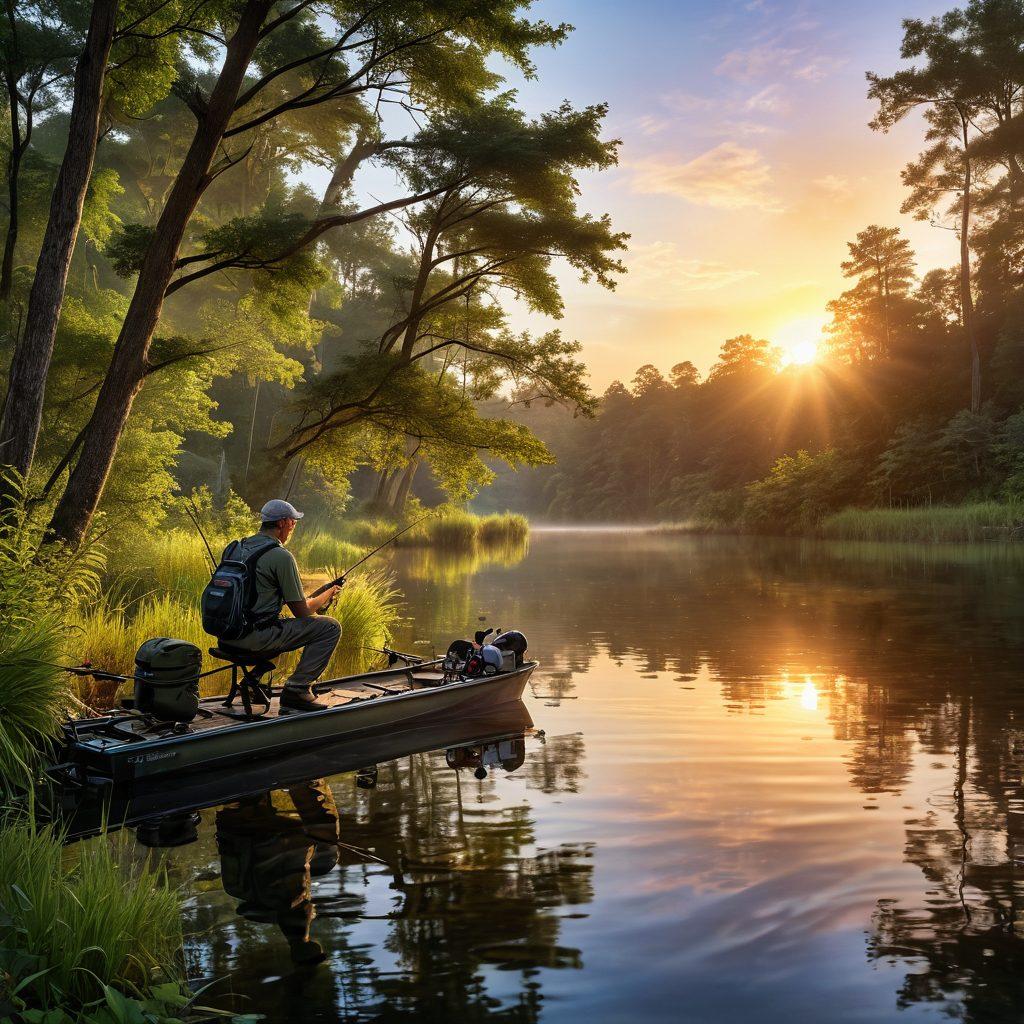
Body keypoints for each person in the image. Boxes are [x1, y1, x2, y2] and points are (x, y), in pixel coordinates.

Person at [226, 498, 341, 711]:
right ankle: (297, 689)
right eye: (293, 523)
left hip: (227, 635)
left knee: (278, 621)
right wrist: (329, 593)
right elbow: (303, 613)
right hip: (252, 639)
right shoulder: (280, 556)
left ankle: (254, 682)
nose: (293, 527)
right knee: (330, 627)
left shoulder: (236, 547)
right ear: (281, 523)